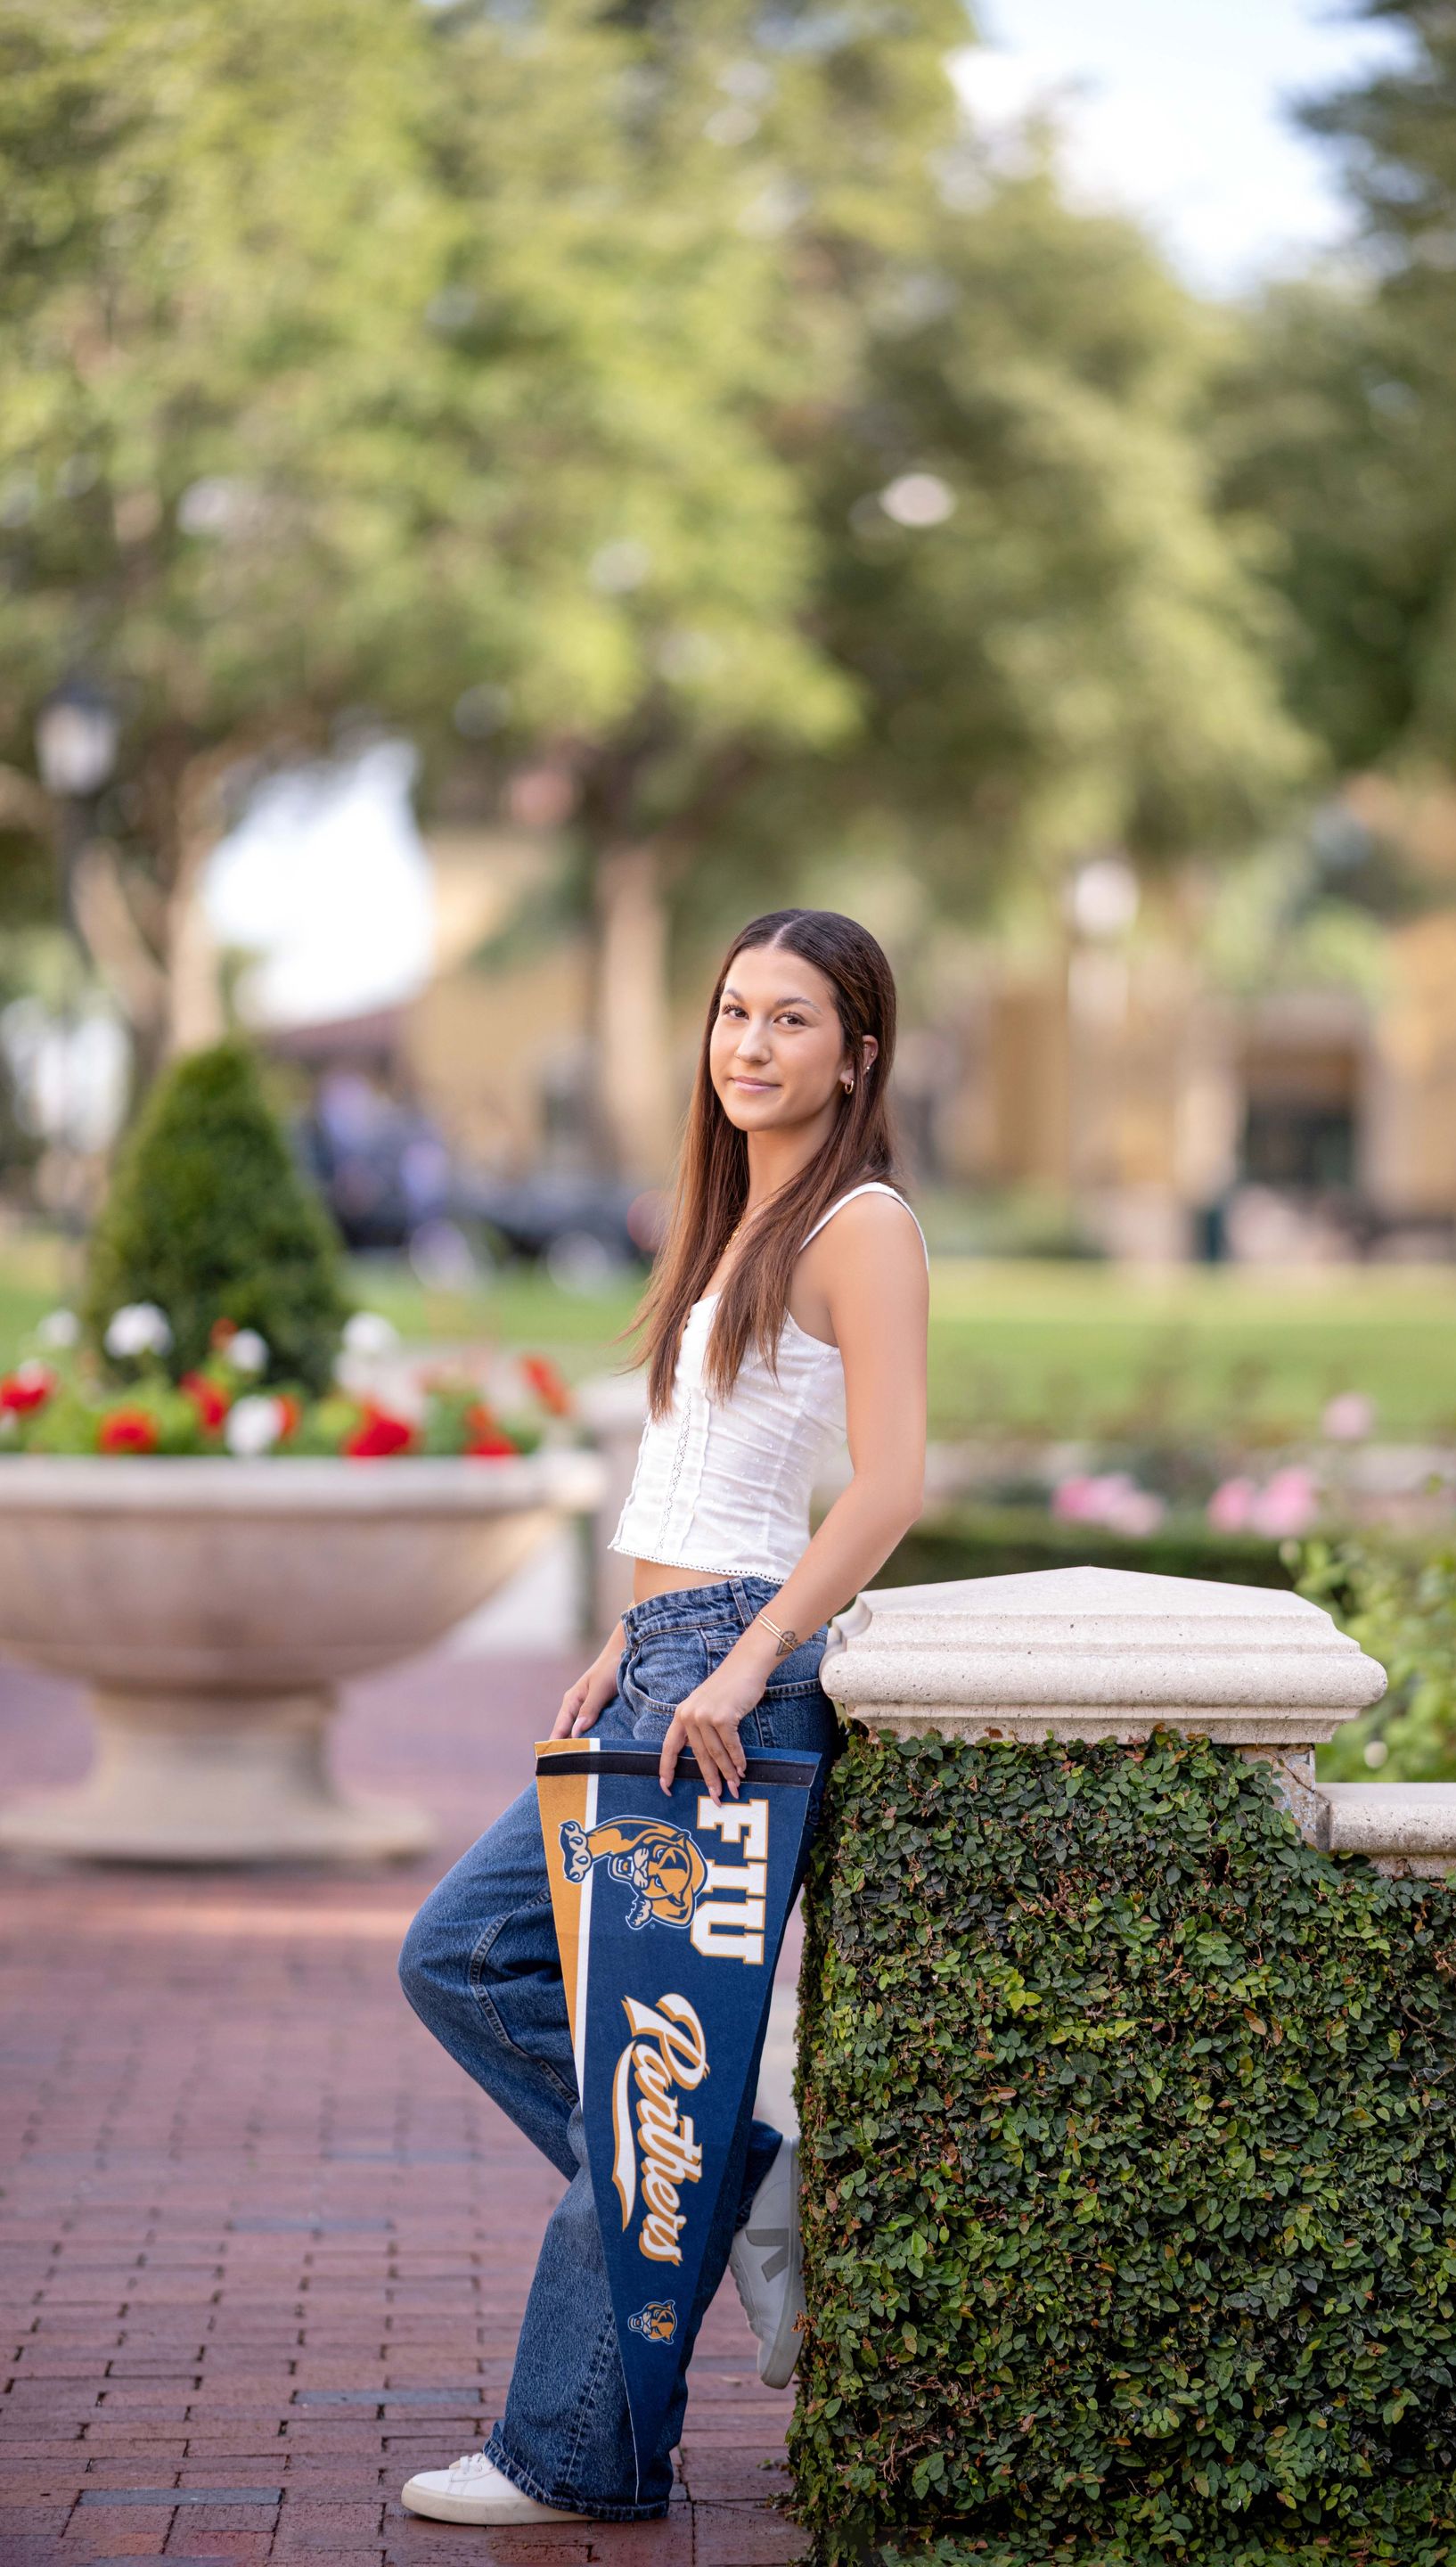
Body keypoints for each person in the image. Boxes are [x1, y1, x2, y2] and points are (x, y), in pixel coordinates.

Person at [396, 908, 930, 2525]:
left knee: (647, 2070)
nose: (751, 1045)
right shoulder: (728, 1217)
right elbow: (689, 1472)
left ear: (859, 1054)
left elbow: (894, 1483)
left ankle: (576, 2454)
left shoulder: (862, 1221)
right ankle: (738, 2184)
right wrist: (630, 1635)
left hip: (731, 1695)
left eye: (791, 1020)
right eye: (733, 1014)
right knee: (462, 1957)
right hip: (660, 1663)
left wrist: (744, 1656)